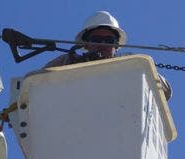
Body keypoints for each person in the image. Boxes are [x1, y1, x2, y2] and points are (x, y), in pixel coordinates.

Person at [41, 11, 172, 99]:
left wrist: (135, 68)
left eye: (109, 41)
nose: (103, 44)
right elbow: (37, 83)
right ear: (85, 44)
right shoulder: (67, 61)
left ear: (116, 46)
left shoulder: (130, 65)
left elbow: (165, 91)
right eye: (96, 39)